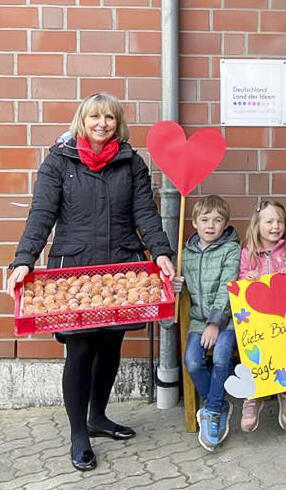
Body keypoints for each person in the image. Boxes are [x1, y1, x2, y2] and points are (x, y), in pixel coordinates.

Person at [6, 93, 175, 472]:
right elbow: (42, 214)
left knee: (110, 344)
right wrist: (23, 260)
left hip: (120, 268)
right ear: (83, 120)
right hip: (74, 269)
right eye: (95, 116)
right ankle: (78, 434)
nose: (102, 123)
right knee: (80, 350)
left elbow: (145, 214)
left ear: (118, 124)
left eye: (110, 118)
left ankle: (98, 417)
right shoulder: (59, 162)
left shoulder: (131, 163)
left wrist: (162, 253)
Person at [171, 195, 240, 452]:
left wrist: (216, 323)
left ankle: (211, 412)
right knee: (192, 361)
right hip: (198, 321)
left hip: (226, 320)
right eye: (205, 220)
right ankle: (220, 402)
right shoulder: (185, 253)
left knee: (222, 357)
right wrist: (178, 285)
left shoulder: (231, 249)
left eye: (217, 220)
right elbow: (183, 284)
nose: (211, 225)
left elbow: (228, 287)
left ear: (225, 224)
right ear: (195, 223)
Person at [238, 200, 286, 433]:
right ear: (257, 224)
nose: (275, 226)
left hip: (285, 322)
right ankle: (254, 396)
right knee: (254, 355)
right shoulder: (247, 254)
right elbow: (239, 286)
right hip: (256, 323)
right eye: (269, 221)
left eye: (280, 221)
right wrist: (247, 278)